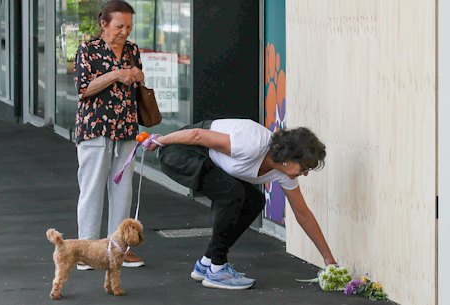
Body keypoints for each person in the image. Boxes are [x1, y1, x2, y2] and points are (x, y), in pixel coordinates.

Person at [145, 119, 337, 289]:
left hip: (206, 160)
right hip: (181, 151)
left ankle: (206, 263)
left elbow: (303, 214)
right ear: (290, 157)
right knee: (231, 193)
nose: (305, 174)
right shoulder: (252, 143)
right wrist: (160, 140)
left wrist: (329, 261)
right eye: (305, 167)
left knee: (254, 201)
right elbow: (197, 135)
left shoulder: (283, 174)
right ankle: (217, 268)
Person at [73, 0, 145, 270]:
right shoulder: (87, 50)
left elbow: (139, 83)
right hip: (95, 128)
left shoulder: (132, 50)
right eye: (119, 26)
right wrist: (115, 74)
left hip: (126, 127)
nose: (124, 31)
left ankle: (121, 249)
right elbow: (83, 89)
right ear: (104, 24)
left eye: (128, 26)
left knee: (122, 189)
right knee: (92, 187)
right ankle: (86, 249)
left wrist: (137, 75)